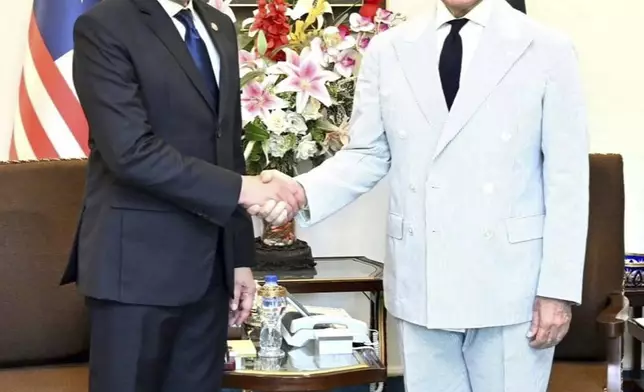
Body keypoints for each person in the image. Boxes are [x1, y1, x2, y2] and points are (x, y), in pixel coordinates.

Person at [250, 0, 589, 390]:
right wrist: (299, 190)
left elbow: (568, 178)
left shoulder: (546, 47)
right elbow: (367, 153)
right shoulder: (389, 48)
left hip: (513, 283)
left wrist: (557, 291)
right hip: (422, 273)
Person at [60, 0, 303, 391]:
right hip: (135, 271)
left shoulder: (219, 25)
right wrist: (246, 190)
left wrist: (238, 259)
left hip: (209, 272)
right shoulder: (104, 24)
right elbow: (130, 151)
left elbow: (228, 150)